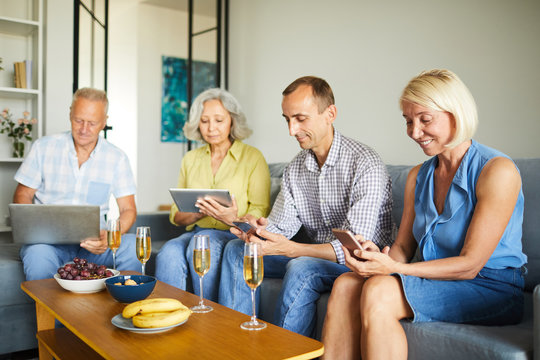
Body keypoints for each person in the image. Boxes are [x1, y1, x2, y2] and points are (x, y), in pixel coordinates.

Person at [321, 69, 527, 359]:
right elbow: (404, 248)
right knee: (345, 285)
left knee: (379, 291)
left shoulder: (496, 171)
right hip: (437, 280)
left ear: (455, 114)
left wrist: (394, 270)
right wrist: (377, 259)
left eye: (425, 120)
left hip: (490, 286)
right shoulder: (419, 176)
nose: (414, 132)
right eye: (408, 121)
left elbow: (470, 265)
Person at [219, 76, 395, 337]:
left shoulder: (365, 163)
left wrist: (292, 249)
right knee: (239, 249)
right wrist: (257, 231)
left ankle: (284, 353)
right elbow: (281, 226)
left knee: (301, 267)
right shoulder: (296, 168)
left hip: (357, 261)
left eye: (300, 118)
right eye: (287, 119)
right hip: (310, 254)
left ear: (330, 114)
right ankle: (234, 342)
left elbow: (356, 246)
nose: (292, 130)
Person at [155, 88, 271, 302]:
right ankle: (168, 317)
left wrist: (235, 217)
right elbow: (175, 214)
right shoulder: (190, 159)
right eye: (205, 121)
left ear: (232, 121)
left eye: (218, 120)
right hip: (197, 231)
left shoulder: (252, 157)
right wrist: (200, 212)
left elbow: (259, 209)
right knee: (168, 252)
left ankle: (206, 318)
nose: (211, 128)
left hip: (234, 234)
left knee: (202, 242)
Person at [15, 87, 141, 280]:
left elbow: (128, 210)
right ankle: (49, 311)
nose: (84, 129)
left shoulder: (117, 158)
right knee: (37, 255)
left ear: (104, 122)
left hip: (95, 244)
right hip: (47, 244)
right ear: (70, 114)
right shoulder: (43, 147)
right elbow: (23, 194)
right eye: (78, 120)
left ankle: (126, 307)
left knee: (132, 245)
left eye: (92, 123)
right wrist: (32, 229)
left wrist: (109, 237)